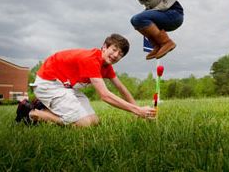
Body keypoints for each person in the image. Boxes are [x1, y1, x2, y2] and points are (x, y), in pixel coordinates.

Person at [15, 34, 156, 127]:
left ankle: (44, 107)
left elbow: (121, 88)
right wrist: (138, 110)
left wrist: (138, 112)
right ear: (104, 47)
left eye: (120, 54)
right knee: (84, 124)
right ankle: (33, 113)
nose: (115, 55)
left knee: (94, 122)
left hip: (65, 87)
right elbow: (105, 95)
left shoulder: (106, 66)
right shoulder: (91, 59)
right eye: (114, 49)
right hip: (48, 83)